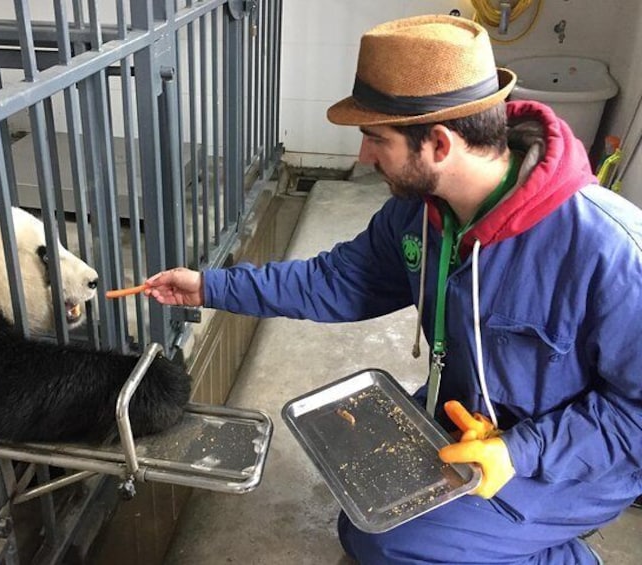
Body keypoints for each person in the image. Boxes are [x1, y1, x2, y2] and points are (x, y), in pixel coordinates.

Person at [144, 14, 642, 565]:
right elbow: (336, 281)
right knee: (362, 487)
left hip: (569, 465)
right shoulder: (419, 215)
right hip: (465, 416)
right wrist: (210, 287)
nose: (364, 158)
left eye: (376, 139)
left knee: (386, 543)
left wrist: (520, 452)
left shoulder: (609, 251)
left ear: (438, 143)